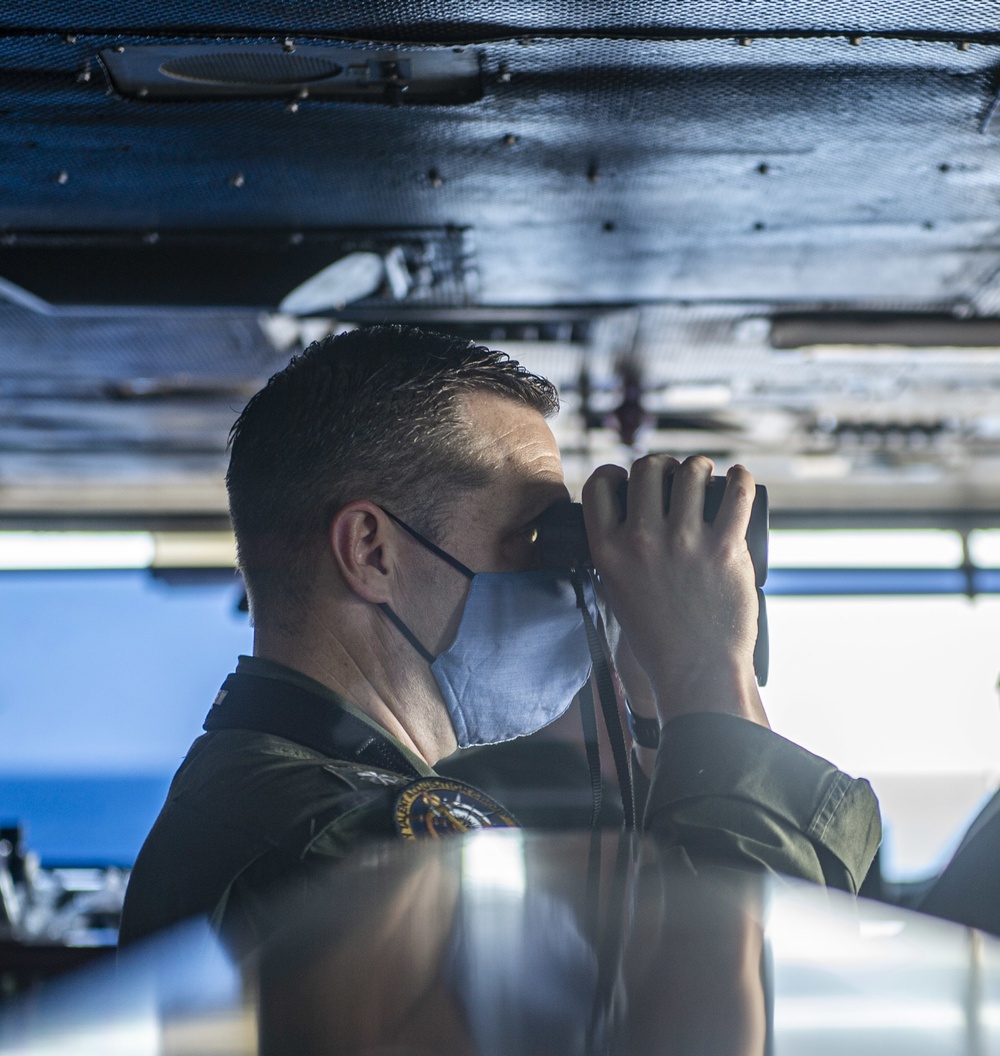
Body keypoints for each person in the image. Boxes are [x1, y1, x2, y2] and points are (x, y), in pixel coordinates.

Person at [118, 325, 880, 945]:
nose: (566, 581)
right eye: (533, 536)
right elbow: (714, 1024)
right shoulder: (337, 842)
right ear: (372, 553)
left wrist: (654, 710)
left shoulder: (300, 796)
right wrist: (709, 668)